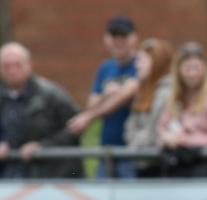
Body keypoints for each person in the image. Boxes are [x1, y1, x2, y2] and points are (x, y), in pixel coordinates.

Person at [70, 38, 174, 177]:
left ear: (157, 62)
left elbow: (155, 132)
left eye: (142, 60)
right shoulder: (141, 91)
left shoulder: (165, 94)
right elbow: (130, 126)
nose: (137, 65)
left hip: (154, 166)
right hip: (132, 156)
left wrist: (137, 143)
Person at [0, 42, 83, 179]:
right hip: (7, 175)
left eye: (17, 65)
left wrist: (43, 146)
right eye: (6, 66)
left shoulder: (50, 94)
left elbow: (75, 127)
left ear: (29, 65)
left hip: (46, 175)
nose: (12, 71)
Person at [156, 42, 207, 177]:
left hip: (204, 167)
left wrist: (184, 140)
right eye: (187, 68)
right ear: (178, 69)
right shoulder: (175, 96)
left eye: (196, 68)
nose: (191, 73)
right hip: (176, 165)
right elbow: (162, 125)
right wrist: (166, 137)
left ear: (205, 68)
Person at [84, 15, 140, 178]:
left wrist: (87, 118)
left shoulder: (142, 64)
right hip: (106, 147)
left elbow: (129, 93)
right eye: (114, 36)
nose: (119, 41)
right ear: (106, 39)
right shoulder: (105, 68)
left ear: (134, 38)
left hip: (133, 149)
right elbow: (91, 103)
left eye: (123, 36)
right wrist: (105, 95)